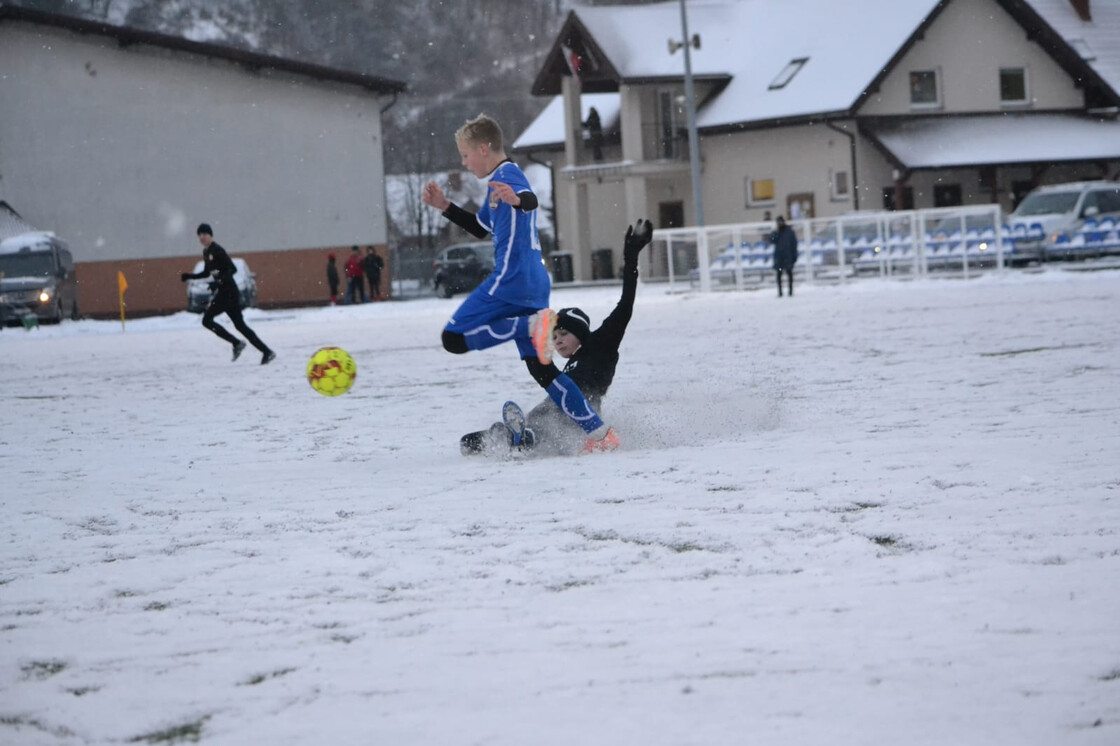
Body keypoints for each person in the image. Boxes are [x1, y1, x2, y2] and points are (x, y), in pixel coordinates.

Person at [421, 113, 617, 452]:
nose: (464, 163)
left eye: (466, 155)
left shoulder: (508, 175)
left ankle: (528, 324)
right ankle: (600, 434)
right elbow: (482, 227)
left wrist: (518, 200)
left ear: (484, 149)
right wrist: (445, 206)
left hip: (512, 278)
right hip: (533, 281)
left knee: (452, 338)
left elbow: (530, 199)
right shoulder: (495, 186)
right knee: (543, 372)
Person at [461, 219, 652, 457]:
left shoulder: (602, 343)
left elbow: (625, 306)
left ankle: (525, 437)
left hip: (582, 414)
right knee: (470, 441)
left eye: (564, 334)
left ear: (581, 334)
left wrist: (631, 259)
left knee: (545, 425)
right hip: (554, 407)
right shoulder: (570, 365)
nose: (558, 340)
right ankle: (508, 436)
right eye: (554, 336)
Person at [180, 223, 275, 364]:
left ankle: (238, 343)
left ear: (211, 235)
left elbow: (232, 269)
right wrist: (190, 276)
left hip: (228, 292)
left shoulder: (217, 250)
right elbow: (207, 272)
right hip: (225, 292)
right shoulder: (207, 252)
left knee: (207, 320)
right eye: (199, 235)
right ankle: (266, 351)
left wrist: (218, 282)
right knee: (240, 325)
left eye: (205, 234)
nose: (202, 237)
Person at [770, 215, 799, 297]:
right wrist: (775, 232)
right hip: (779, 256)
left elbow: (794, 244)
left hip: (788, 256)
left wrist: (794, 256)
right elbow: (772, 240)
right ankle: (780, 292)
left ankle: (790, 291)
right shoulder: (777, 232)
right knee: (779, 274)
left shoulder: (789, 232)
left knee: (789, 273)